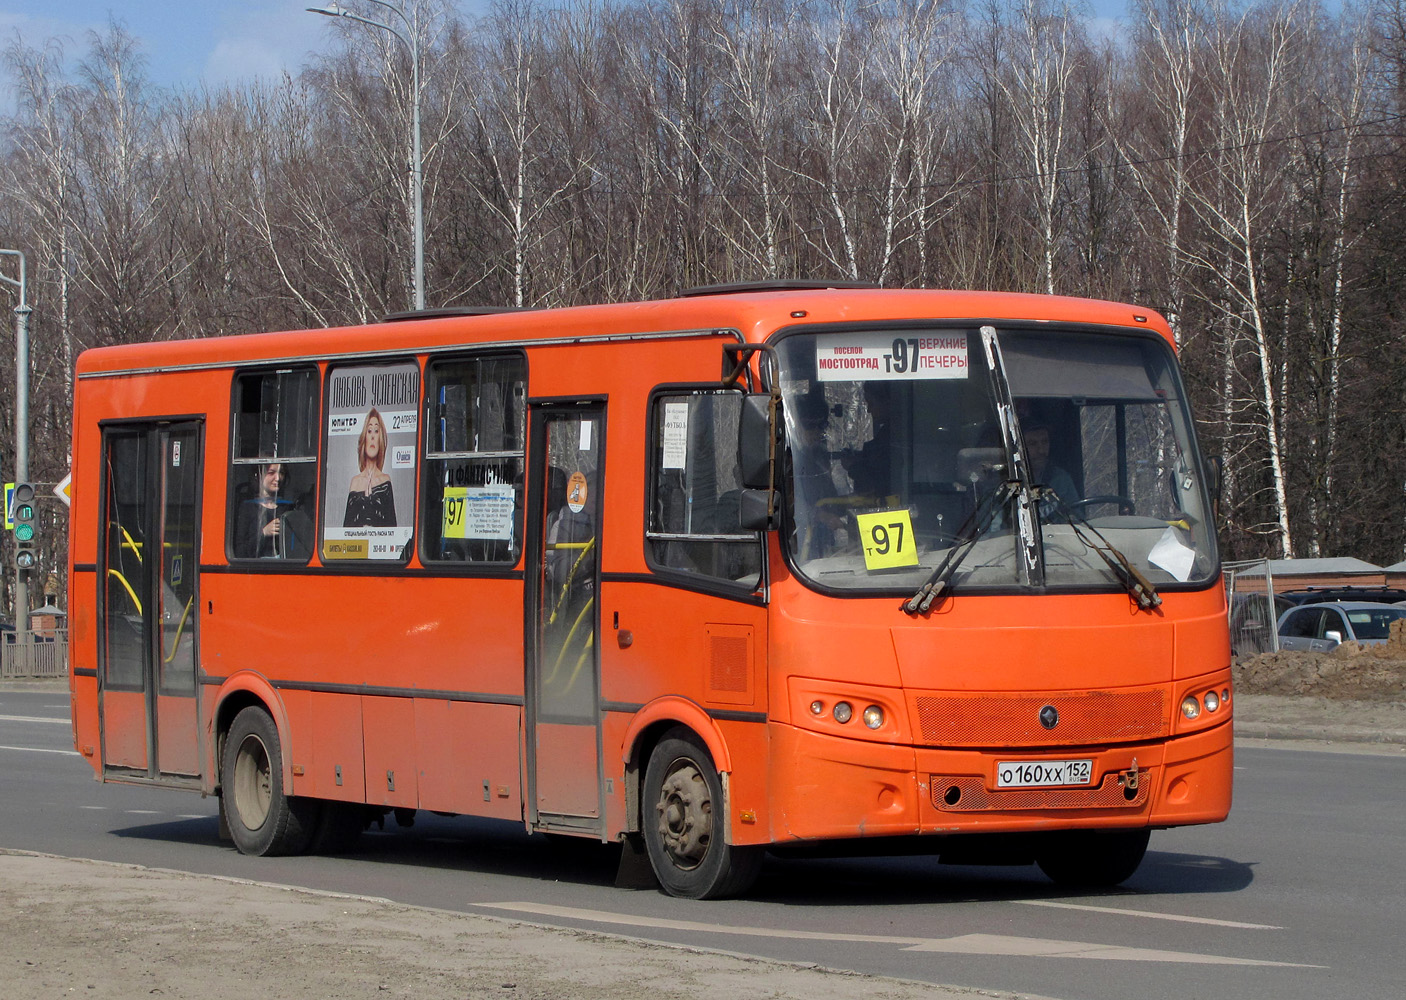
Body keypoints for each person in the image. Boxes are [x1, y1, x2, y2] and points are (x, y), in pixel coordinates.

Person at [234, 463, 312, 559]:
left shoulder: (288, 508)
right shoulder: (247, 508)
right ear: (258, 475)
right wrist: (264, 533)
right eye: (271, 473)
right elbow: (239, 551)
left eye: (281, 473)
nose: (278, 478)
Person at [343, 408, 397, 527]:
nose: (372, 436)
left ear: (380, 438)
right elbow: (346, 530)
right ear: (364, 437)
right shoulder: (355, 482)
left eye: (376, 431)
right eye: (369, 431)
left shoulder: (385, 481)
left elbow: (392, 528)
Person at [1022, 422, 1079, 519]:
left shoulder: (1061, 479)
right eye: (1032, 444)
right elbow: (997, 529)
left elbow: (1076, 517)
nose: (1041, 450)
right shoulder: (1009, 485)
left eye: (1045, 442)